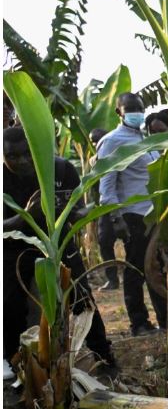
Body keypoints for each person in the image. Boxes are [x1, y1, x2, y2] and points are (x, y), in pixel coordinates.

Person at [3, 127, 117, 378]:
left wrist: (77, 213)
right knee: (10, 302)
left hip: (59, 242)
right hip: (14, 245)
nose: (22, 161)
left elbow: (78, 208)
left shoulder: (62, 169)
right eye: (12, 156)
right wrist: (24, 216)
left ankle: (103, 356)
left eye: (27, 154)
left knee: (81, 296)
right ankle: (9, 359)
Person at [97, 93, 167, 335]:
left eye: (140, 108)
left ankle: (165, 318)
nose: (137, 112)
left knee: (156, 267)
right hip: (133, 215)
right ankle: (139, 322)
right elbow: (106, 184)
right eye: (131, 109)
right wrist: (116, 218)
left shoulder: (146, 138)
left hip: (154, 212)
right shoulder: (112, 141)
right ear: (120, 112)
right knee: (137, 269)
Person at [90, 127, 120, 291]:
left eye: (98, 140)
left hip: (120, 203)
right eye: (93, 141)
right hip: (104, 206)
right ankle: (112, 278)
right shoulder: (95, 159)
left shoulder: (118, 153)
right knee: (104, 242)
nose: (95, 144)